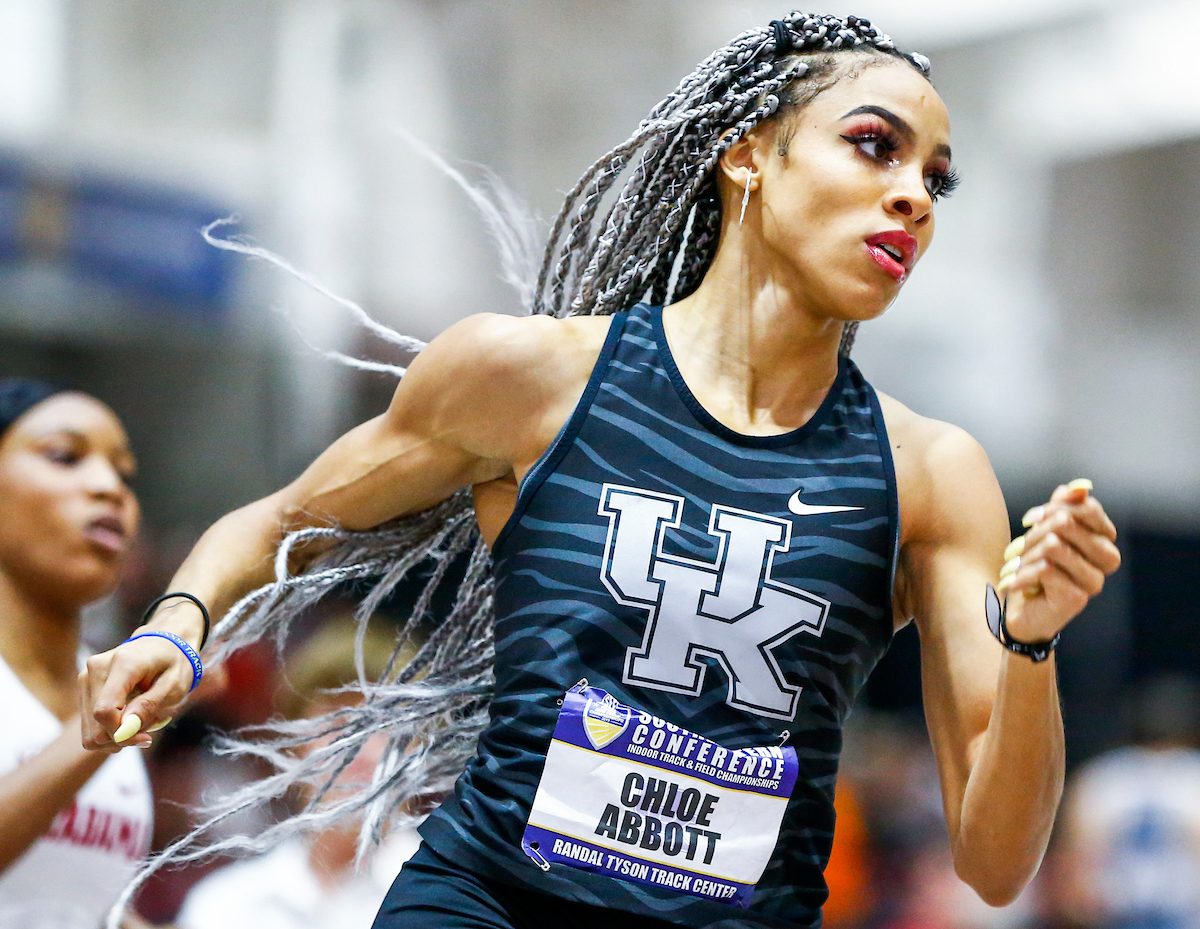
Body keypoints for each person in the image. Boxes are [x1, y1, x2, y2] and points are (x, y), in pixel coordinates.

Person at [79, 12, 1122, 929]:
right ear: (748, 154)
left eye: (935, 178)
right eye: (874, 146)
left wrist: (1030, 643)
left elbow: (995, 864)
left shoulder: (930, 472)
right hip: (489, 899)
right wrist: (173, 625)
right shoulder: (533, 377)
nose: (913, 198)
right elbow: (277, 523)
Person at [0, 379, 153, 927]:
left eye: (125, 475)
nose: (109, 487)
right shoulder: (113, 707)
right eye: (64, 456)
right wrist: (108, 726)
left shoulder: (109, 681)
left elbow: (80, 904)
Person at [175, 619, 425, 929]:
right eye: (339, 720)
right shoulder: (224, 907)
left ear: (419, 751)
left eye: (386, 724)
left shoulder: (452, 904)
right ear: (295, 747)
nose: (360, 749)